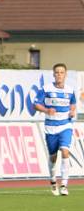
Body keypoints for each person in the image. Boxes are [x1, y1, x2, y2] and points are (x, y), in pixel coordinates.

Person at [34, 63, 77, 196]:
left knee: (65, 152)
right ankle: (53, 180)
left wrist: (72, 111)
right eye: (57, 72)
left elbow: (73, 103)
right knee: (53, 156)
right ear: (53, 74)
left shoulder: (70, 90)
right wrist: (47, 110)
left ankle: (64, 184)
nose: (59, 75)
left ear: (65, 74)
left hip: (65, 125)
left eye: (62, 72)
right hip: (51, 127)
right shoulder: (46, 89)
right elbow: (35, 104)